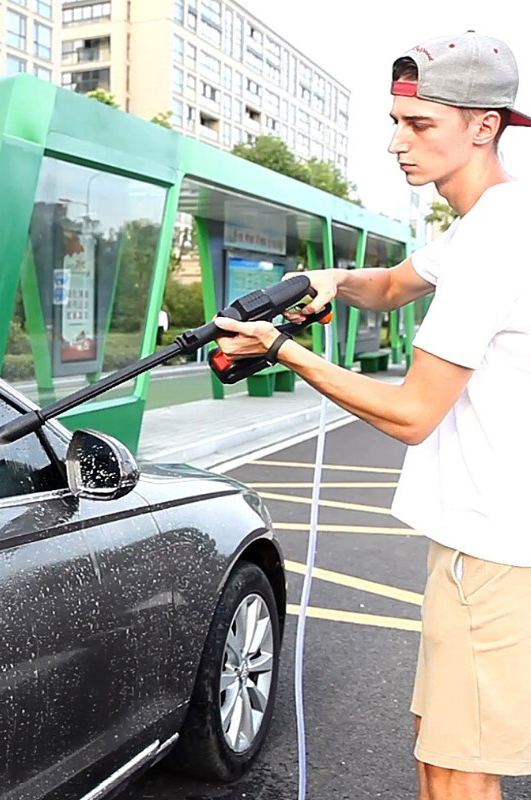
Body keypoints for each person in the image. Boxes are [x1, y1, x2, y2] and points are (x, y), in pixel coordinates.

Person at [214, 32, 531, 800]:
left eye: (420, 125)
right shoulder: (489, 223)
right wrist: (325, 279)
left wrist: (283, 350)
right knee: (436, 752)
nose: (397, 143)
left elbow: (414, 412)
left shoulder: (496, 242)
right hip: (476, 545)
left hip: (494, 551)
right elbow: (391, 284)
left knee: (457, 775)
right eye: (395, 121)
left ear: (484, 126)